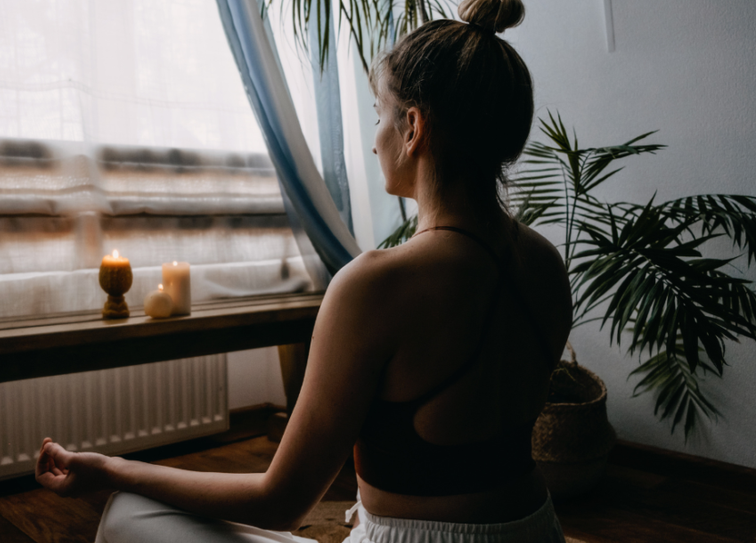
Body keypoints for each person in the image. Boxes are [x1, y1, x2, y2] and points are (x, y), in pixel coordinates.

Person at [35, 0, 572, 541]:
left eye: (379, 115)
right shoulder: (544, 263)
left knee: (130, 511)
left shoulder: (377, 284)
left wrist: (110, 469)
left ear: (413, 127)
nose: (374, 139)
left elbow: (279, 504)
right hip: (537, 531)